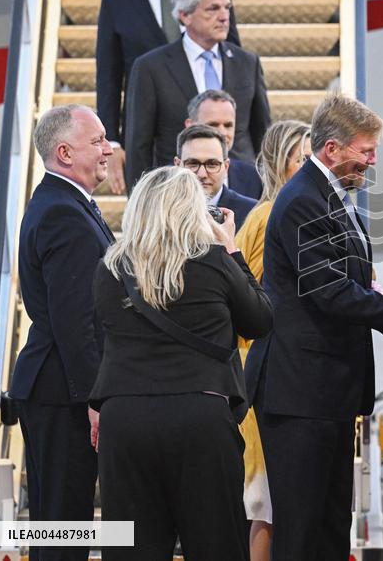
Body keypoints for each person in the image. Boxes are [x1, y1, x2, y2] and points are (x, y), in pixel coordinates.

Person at [250, 94, 383, 559]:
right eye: (366, 151)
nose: (373, 160)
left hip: (325, 391)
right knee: (303, 530)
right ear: (332, 150)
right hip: (301, 391)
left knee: (328, 526)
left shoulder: (327, 195)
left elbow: (345, 281)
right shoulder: (305, 200)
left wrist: (382, 294)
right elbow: (328, 292)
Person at [90, 166, 273, 561]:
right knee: (215, 544)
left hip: (125, 419)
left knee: (131, 549)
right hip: (199, 417)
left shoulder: (110, 270)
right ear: (191, 209)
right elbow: (260, 320)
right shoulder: (213, 263)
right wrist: (233, 251)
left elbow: (104, 338)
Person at [8, 105, 115, 561]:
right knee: (61, 528)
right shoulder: (62, 213)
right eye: (97, 141)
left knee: (62, 525)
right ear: (65, 152)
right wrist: (94, 399)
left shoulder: (66, 203)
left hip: (57, 387)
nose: (109, 148)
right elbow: (75, 321)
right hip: (61, 392)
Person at [96, 0, 241, 193]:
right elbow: (109, 79)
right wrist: (112, 142)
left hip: (214, 145)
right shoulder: (116, 1)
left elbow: (233, 58)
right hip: (156, 143)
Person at [233, 119, 311, 561]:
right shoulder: (269, 216)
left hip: (279, 371)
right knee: (266, 505)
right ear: (281, 165)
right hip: (267, 371)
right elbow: (254, 300)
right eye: (301, 158)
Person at [125, 0, 269, 191]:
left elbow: (262, 136)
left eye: (227, 7)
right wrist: (140, 204)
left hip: (242, 193)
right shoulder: (150, 67)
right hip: (176, 194)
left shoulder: (247, 62)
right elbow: (139, 147)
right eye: (213, 8)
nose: (224, 16)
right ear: (185, 15)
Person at [175, 124, 257, 230]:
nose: (202, 174)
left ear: (226, 167)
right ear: (177, 165)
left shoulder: (252, 213)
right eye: (193, 164)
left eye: (212, 164)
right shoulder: (159, 211)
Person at [186, 89, 264, 199]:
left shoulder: (255, 178)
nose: (222, 133)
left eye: (228, 125)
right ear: (190, 125)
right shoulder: (165, 182)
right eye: (213, 125)